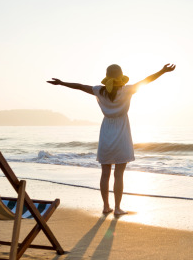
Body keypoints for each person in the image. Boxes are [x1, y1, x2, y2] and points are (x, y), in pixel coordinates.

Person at [47, 63, 176, 215]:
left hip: (106, 131)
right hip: (122, 131)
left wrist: (61, 83)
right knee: (119, 175)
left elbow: (80, 86)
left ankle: (106, 207)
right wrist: (162, 71)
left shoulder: (99, 91)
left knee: (105, 173)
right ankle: (118, 208)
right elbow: (147, 80)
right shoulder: (127, 90)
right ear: (121, 76)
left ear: (107, 77)